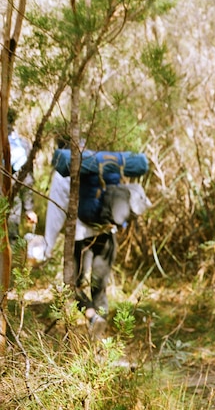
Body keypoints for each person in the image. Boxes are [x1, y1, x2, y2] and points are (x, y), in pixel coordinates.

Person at [43, 138, 151, 337]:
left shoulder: (69, 168)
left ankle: (93, 316)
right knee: (99, 287)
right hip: (107, 232)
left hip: (80, 236)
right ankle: (100, 339)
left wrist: (47, 247)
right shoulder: (109, 164)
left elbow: (55, 211)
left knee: (71, 284)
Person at [7, 108, 38, 247]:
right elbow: (27, 179)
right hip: (12, 200)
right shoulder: (22, 144)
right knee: (10, 240)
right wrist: (29, 209)